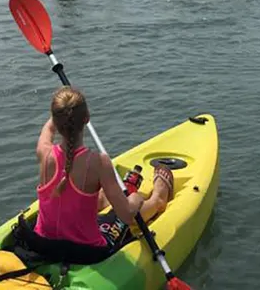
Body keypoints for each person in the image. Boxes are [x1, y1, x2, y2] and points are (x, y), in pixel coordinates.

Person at [31, 87, 174, 262]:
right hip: (86, 251)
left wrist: (60, 114)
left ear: (55, 120)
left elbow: (48, 130)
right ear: (87, 119)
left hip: (43, 244)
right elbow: (127, 214)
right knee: (123, 211)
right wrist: (136, 199)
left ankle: (105, 198)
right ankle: (158, 199)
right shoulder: (99, 163)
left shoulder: (44, 152)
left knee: (95, 194)